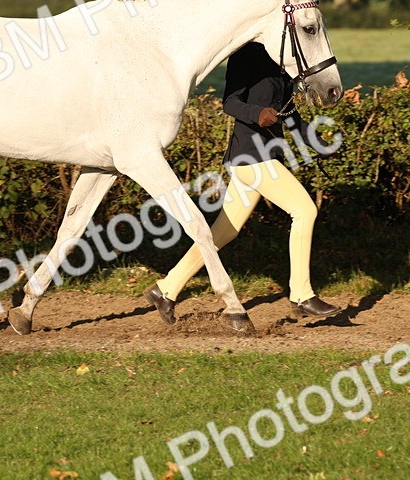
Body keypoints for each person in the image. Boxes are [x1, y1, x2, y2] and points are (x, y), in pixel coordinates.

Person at [144, 41, 341, 332]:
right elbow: (231, 103)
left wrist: (317, 143)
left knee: (222, 233)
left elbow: (290, 113)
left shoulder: (281, 57)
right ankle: (301, 294)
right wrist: (258, 114)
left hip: (265, 157)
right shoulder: (245, 55)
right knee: (304, 211)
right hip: (250, 158)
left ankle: (165, 289)